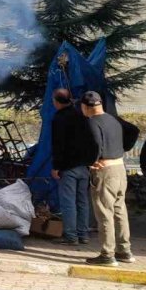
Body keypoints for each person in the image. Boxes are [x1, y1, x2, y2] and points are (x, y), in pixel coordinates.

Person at [81, 91, 135, 266]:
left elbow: (96, 143)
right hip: (120, 168)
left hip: (104, 171)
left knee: (105, 212)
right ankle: (124, 251)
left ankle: (107, 254)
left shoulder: (91, 122)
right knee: (120, 210)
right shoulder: (113, 120)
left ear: (85, 106)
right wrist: (122, 149)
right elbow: (133, 130)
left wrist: (91, 161)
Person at [50, 89, 96, 246]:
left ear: (57, 101)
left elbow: (58, 144)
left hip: (68, 167)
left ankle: (71, 236)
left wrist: (56, 166)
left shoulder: (59, 118)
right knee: (82, 201)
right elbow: (91, 140)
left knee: (68, 202)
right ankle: (83, 235)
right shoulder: (81, 115)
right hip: (84, 166)